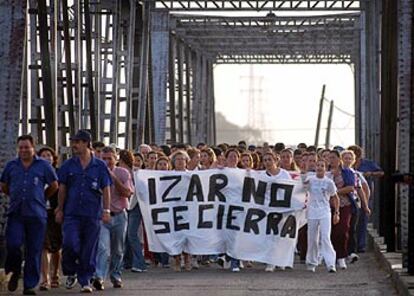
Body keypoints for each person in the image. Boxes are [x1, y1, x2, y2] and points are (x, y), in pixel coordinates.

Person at [0, 135, 58, 295]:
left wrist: (42, 197)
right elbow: (4, 185)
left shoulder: (43, 166)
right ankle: (13, 272)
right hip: (16, 213)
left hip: (36, 214)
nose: (24, 150)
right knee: (12, 245)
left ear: (33, 148)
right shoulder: (12, 166)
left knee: (34, 250)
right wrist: (14, 195)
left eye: (26, 147)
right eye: (21, 147)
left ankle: (29, 284)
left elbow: (54, 185)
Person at [55, 130, 112, 293]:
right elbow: (62, 188)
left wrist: (106, 209)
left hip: (92, 213)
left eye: (78, 142)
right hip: (72, 212)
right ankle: (71, 270)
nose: (74, 145)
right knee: (70, 243)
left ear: (86, 143)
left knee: (89, 248)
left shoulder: (100, 166)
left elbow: (106, 188)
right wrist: (59, 208)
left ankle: (85, 280)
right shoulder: (68, 165)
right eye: (73, 141)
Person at [93, 147, 134, 290]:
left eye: (109, 158)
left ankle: (115, 275)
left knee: (118, 249)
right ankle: (99, 277)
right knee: (103, 248)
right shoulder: (94, 173)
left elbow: (127, 193)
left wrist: (113, 177)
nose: (106, 162)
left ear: (116, 159)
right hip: (102, 216)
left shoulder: (123, 172)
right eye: (103, 159)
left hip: (119, 215)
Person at [303, 159, 339, 273]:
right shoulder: (311, 180)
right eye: (318, 165)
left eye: (322, 166)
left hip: (325, 211)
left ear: (325, 168)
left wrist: (336, 212)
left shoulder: (329, 182)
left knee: (325, 237)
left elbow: (335, 197)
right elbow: (302, 189)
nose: (319, 167)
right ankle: (312, 262)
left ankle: (330, 263)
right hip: (312, 211)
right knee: (312, 238)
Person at [347, 145, 383, 253]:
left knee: (363, 220)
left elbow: (381, 172)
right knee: (352, 221)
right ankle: (351, 245)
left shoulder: (367, 163)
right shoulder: (346, 165)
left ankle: (361, 245)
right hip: (351, 196)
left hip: (365, 195)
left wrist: (371, 173)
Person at [261, 151, 292, 271]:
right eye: (265, 160)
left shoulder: (284, 174)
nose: (267, 162)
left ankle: (281, 260)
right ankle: (271, 261)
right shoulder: (262, 176)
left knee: (281, 236)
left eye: (270, 159)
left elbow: (292, 189)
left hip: (283, 208)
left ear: (275, 160)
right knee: (270, 236)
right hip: (268, 209)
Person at [38, 147, 62, 291]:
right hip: (40, 212)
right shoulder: (36, 172)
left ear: (53, 159)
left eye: (49, 155)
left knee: (56, 247)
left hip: (55, 212)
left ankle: (55, 275)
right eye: (43, 155)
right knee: (44, 246)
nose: (46, 157)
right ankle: (44, 279)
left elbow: (63, 191)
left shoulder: (59, 174)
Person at [328, 150, 357, 270]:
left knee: (342, 230)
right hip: (327, 206)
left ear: (339, 159)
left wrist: (334, 193)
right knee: (329, 232)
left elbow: (351, 187)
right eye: (329, 158)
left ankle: (341, 257)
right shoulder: (324, 172)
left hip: (344, 204)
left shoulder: (346, 172)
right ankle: (330, 257)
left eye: (334, 158)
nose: (331, 160)